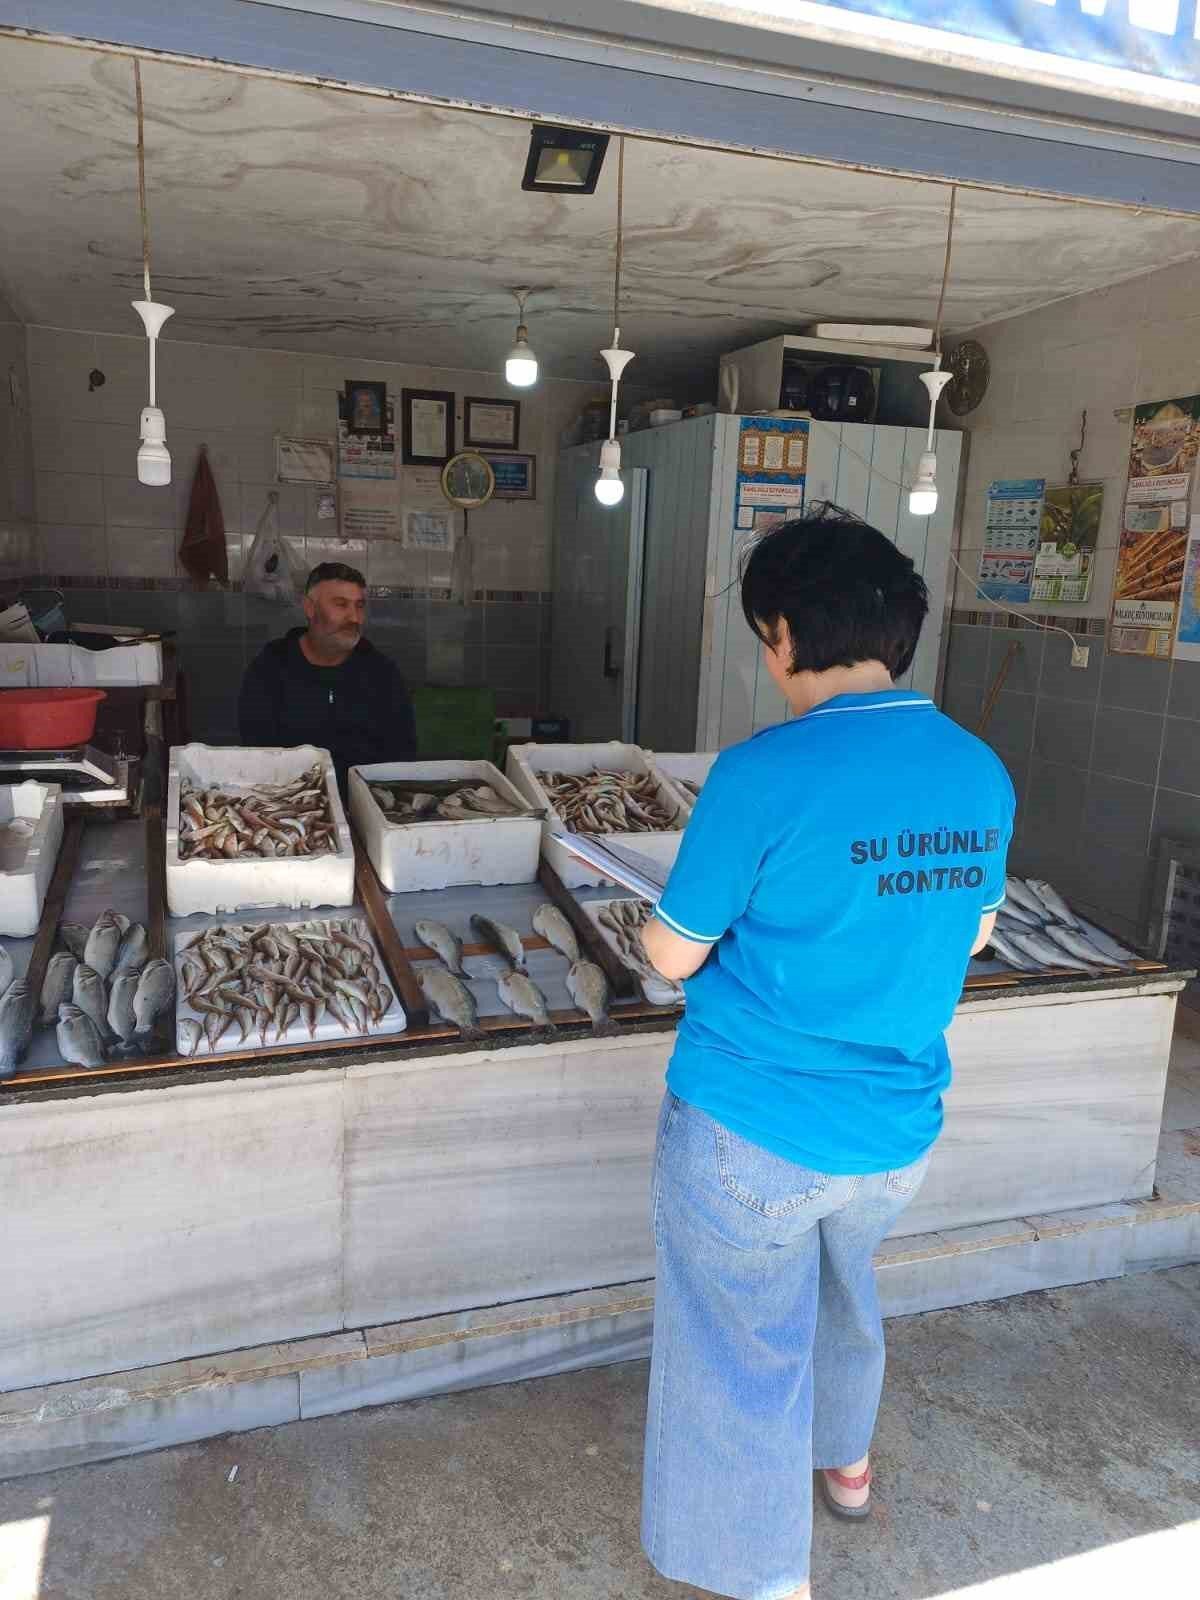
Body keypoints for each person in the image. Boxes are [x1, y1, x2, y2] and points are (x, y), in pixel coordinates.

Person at [639, 505, 1015, 1600]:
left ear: (786, 635)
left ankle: (764, 1580)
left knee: (738, 1357)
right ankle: (846, 1466)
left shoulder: (763, 772)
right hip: (894, 1133)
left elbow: (671, 953)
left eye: (766, 632)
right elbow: (975, 927)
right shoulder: (977, 771)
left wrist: (656, 931)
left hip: (749, 1130)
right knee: (847, 1288)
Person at [238, 562, 416, 782]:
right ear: (309, 608)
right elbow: (257, 752)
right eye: (341, 605)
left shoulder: (381, 673)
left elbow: (402, 753)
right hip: (290, 802)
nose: (354, 618)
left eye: (359, 606)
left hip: (366, 802)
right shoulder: (270, 668)